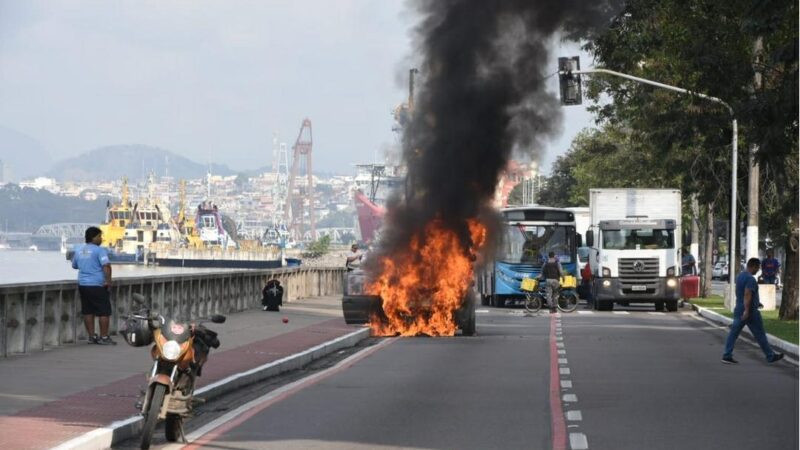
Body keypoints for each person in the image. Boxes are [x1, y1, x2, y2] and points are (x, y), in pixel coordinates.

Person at [721, 258, 784, 365]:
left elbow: (741, 293)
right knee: (760, 334)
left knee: (734, 333)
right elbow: (747, 293)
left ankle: (727, 355)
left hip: (739, 308)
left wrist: (756, 302)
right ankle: (770, 355)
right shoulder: (750, 279)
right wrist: (747, 310)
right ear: (753, 266)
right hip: (750, 311)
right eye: (758, 267)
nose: (758, 270)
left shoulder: (740, 276)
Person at [72, 226, 115, 345]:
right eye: (100, 236)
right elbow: (106, 266)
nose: (101, 239)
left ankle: (91, 336)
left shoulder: (79, 250)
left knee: (88, 311)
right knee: (104, 311)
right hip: (97, 285)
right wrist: (108, 281)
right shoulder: (99, 250)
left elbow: (74, 265)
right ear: (94, 237)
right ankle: (104, 337)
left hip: (83, 285)